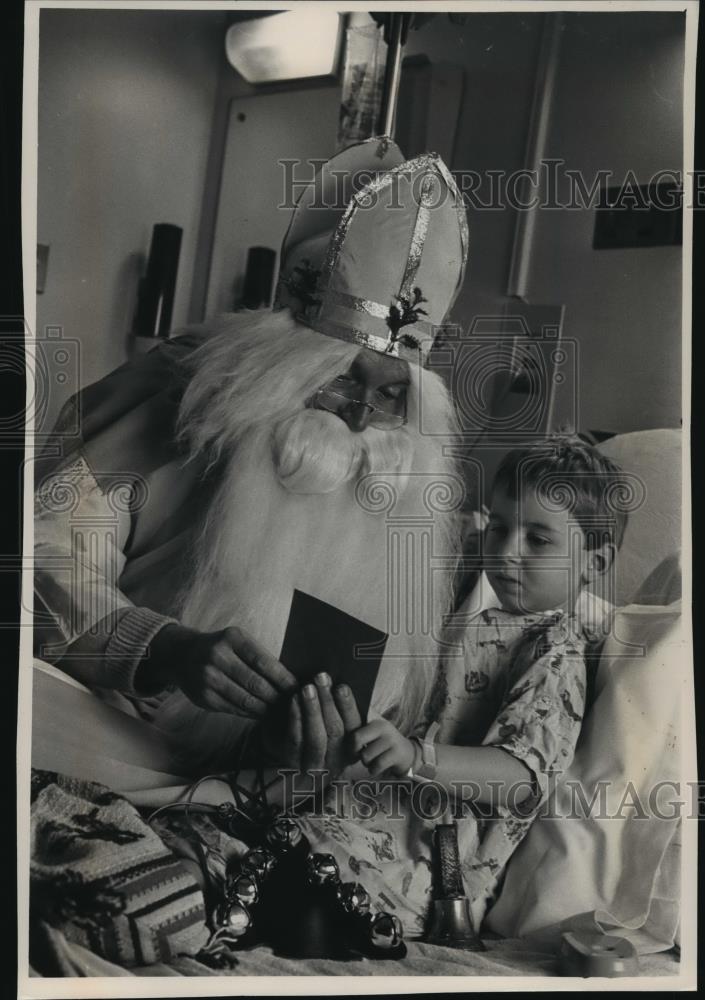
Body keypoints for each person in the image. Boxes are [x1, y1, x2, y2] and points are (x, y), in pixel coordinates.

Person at [32, 136, 469, 806]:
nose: (358, 417)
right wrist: (162, 649)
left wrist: (301, 747)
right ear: (287, 366)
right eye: (340, 379)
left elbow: (365, 711)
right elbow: (41, 552)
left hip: (238, 787)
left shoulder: (402, 481)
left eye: (388, 395)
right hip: (91, 725)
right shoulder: (176, 396)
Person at [297, 435, 629, 935]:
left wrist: (416, 758)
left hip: (438, 865)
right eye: (499, 529)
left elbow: (521, 779)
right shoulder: (468, 625)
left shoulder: (555, 651)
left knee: (309, 874)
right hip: (384, 813)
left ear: (594, 564)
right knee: (271, 828)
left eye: (538, 540)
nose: (507, 552)